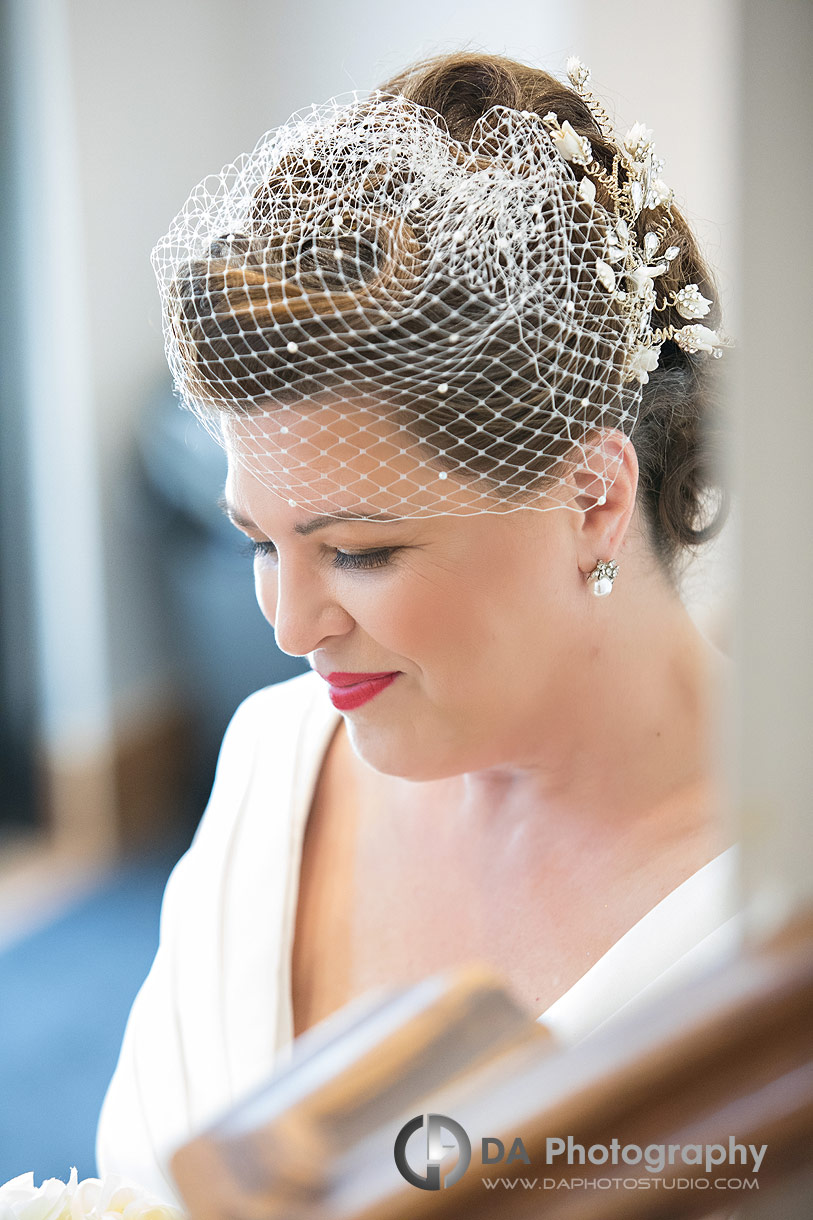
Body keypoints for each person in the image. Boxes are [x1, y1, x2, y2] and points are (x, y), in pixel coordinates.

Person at [95, 52, 740, 1205]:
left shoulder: (765, 907)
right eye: (257, 539)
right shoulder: (276, 757)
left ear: (589, 497)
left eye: (359, 551)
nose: (290, 627)